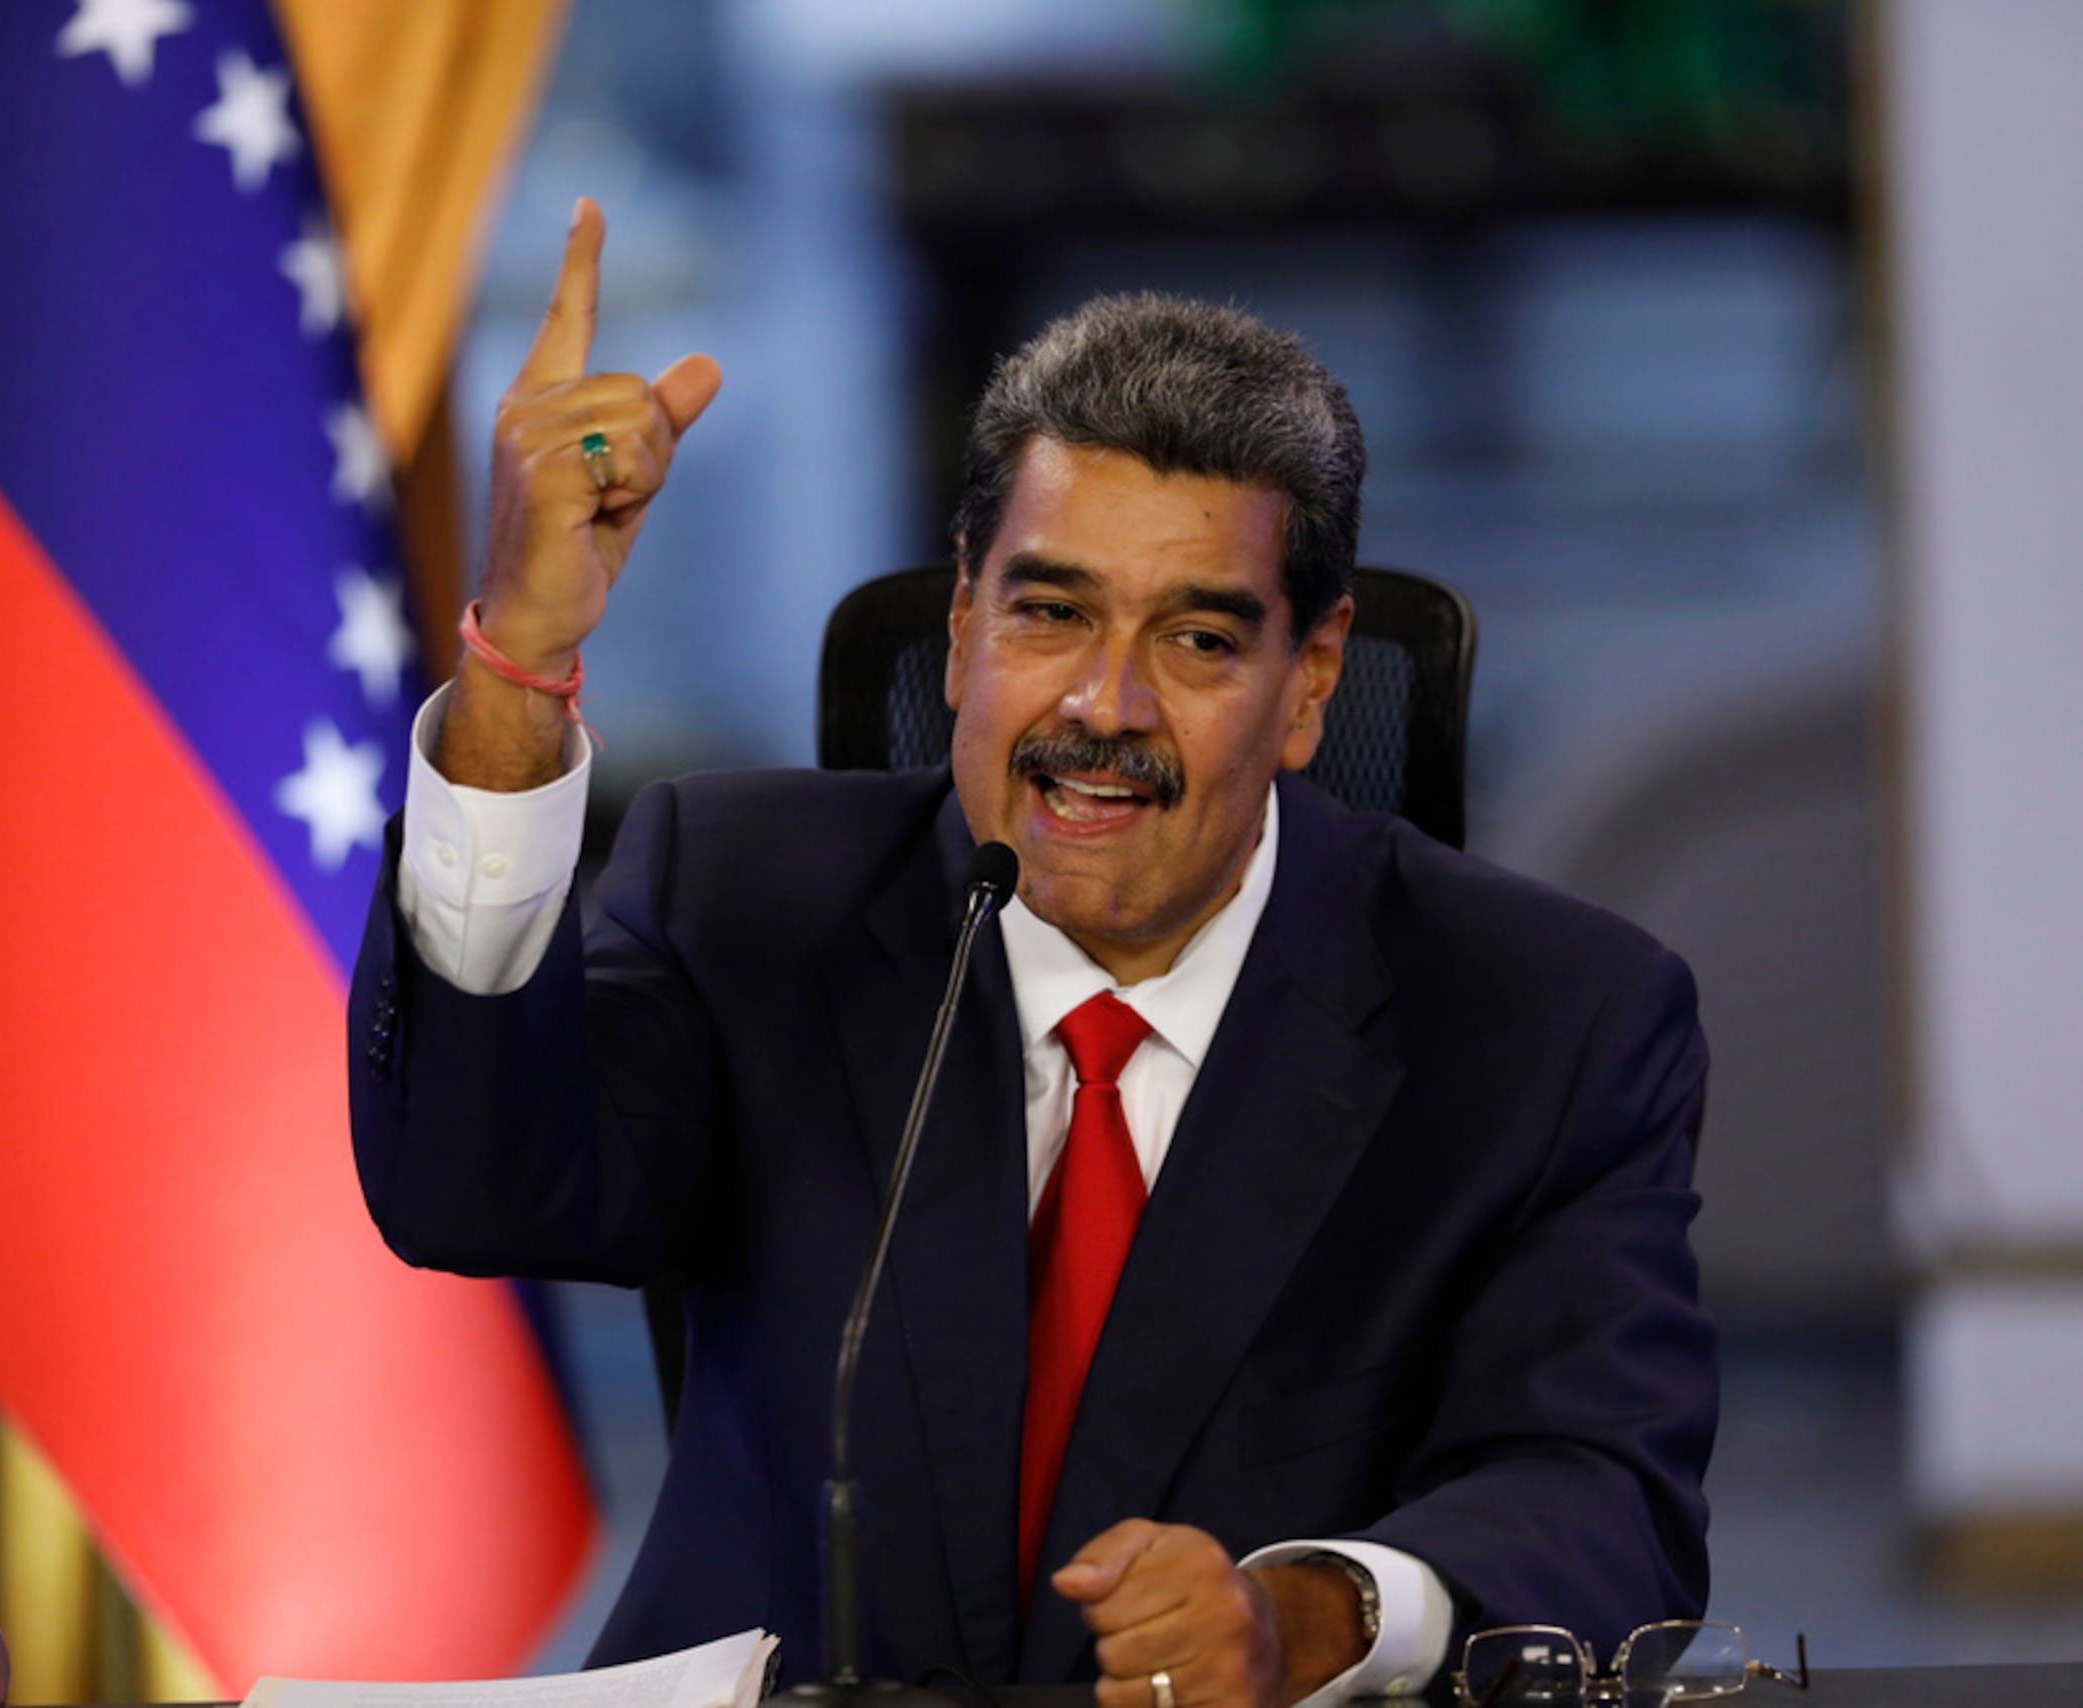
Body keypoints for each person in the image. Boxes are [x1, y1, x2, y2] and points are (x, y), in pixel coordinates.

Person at [348, 200, 1716, 1708]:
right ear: (961, 631)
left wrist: (1310, 1616)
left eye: (1198, 641)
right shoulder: (744, 895)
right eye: (1051, 613)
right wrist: (519, 664)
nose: (1104, 705)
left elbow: (1605, 1497)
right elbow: (464, 1182)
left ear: (1312, 681)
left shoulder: (1547, 1019)